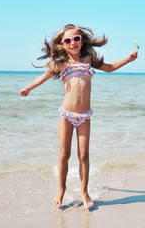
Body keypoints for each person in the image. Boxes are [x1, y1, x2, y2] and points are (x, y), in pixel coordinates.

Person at [19, 24, 138, 209]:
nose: (72, 43)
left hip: (84, 116)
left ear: (82, 40)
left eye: (76, 39)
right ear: (62, 44)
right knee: (64, 154)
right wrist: (28, 88)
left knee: (84, 155)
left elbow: (109, 67)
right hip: (66, 115)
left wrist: (128, 60)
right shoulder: (60, 63)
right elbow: (41, 77)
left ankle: (84, 192)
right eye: (68, 40)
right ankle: (61, 189)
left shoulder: (89, 59)